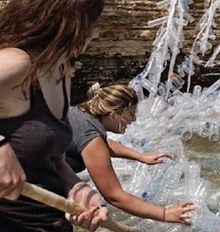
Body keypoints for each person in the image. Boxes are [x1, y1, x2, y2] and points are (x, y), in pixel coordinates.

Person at [0, 0, 108, 232]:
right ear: (72, 18)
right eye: (94, 18)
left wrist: (76, 188)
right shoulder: (17, 64)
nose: (97, 30)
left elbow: (53, 157)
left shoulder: (60, 71)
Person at [66, 83, 196, 223]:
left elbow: (105, 144)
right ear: (114, 115)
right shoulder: (90, 136)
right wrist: (164, 213)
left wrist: (141, 157)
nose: (133, 120)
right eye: (131, 113)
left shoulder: (80, 114)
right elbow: (115, 196)